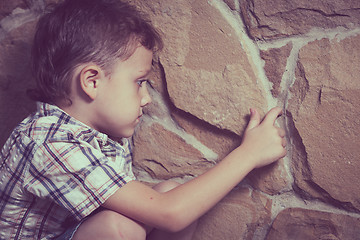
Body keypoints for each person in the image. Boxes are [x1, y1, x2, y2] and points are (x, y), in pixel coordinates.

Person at [0, 0, 287, 239]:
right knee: (118, 229)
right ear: (91, 81)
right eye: (139, 82)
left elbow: (171, 209)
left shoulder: (100, 132)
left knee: (172, 193)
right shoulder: (49, 144)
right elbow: (169, 214)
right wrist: (248, 155)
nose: (146, 98)